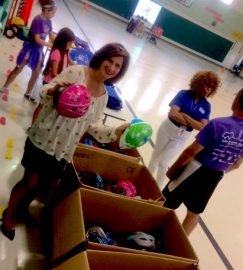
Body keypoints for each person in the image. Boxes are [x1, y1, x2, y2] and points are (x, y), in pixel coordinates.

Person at [1, 42, 131, 240]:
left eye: (118, 66)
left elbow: (93, 126)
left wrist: (117, 132)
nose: (112, 68)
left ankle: (22, 210)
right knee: (29, 181)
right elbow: (44, 93)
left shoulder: (104, 96)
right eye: (110, 61)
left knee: (41, 186)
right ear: (101, 57)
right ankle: (8, 215)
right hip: (43, 138)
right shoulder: (77, 73)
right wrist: (56, 91)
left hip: (63, 149)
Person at [162, 88, 243, 235]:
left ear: (236, 101)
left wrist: (173, 169)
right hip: (216, 175)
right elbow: (237, 164)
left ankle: (152, 234)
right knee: (194, 212)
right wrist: (219, 170)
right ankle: (177, 246)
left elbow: (191, 151)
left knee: (166, 202)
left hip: (194, 169)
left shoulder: (218, 124)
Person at [148, 71, 221, 189]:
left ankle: (157, 188)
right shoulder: (183, 94)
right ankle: (146, 179)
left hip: (181, 137)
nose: (208, 90)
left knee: (164, 163)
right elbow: (173, 114)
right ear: (199, 83)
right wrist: (194, 122)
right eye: (206, 86)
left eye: (211, 88)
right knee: (155, 156)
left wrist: (185, 116)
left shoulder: (206, 105)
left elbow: (203, 127)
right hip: (167, 129)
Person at [0, 0, 57, 103]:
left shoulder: (49, 21)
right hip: (30, 48)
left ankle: (28, 93)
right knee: (18, 69)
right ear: (46, 10)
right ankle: (4, 87)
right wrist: (50, 45)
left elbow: (51, 35)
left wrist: (57, 41)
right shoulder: (37, 20)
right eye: (52, 12)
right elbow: (37, 39)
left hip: (38, 51)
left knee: (36, 73)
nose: (54, 15)